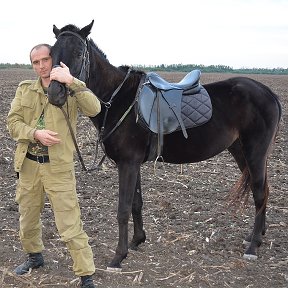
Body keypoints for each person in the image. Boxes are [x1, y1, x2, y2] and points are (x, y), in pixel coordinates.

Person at [7, 43, 101, 288]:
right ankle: (34, 257)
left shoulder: (69, 89)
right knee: (27, 219)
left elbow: (95, 108)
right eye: (36, 63)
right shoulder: (25, 90)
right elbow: (13, 123)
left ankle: (86, 275)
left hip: (58, 168)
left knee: (70, 224)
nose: (41, 66)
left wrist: (72, 81)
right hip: (28, 166)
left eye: (45, 60)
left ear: (54, 59)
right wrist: (34, 134)